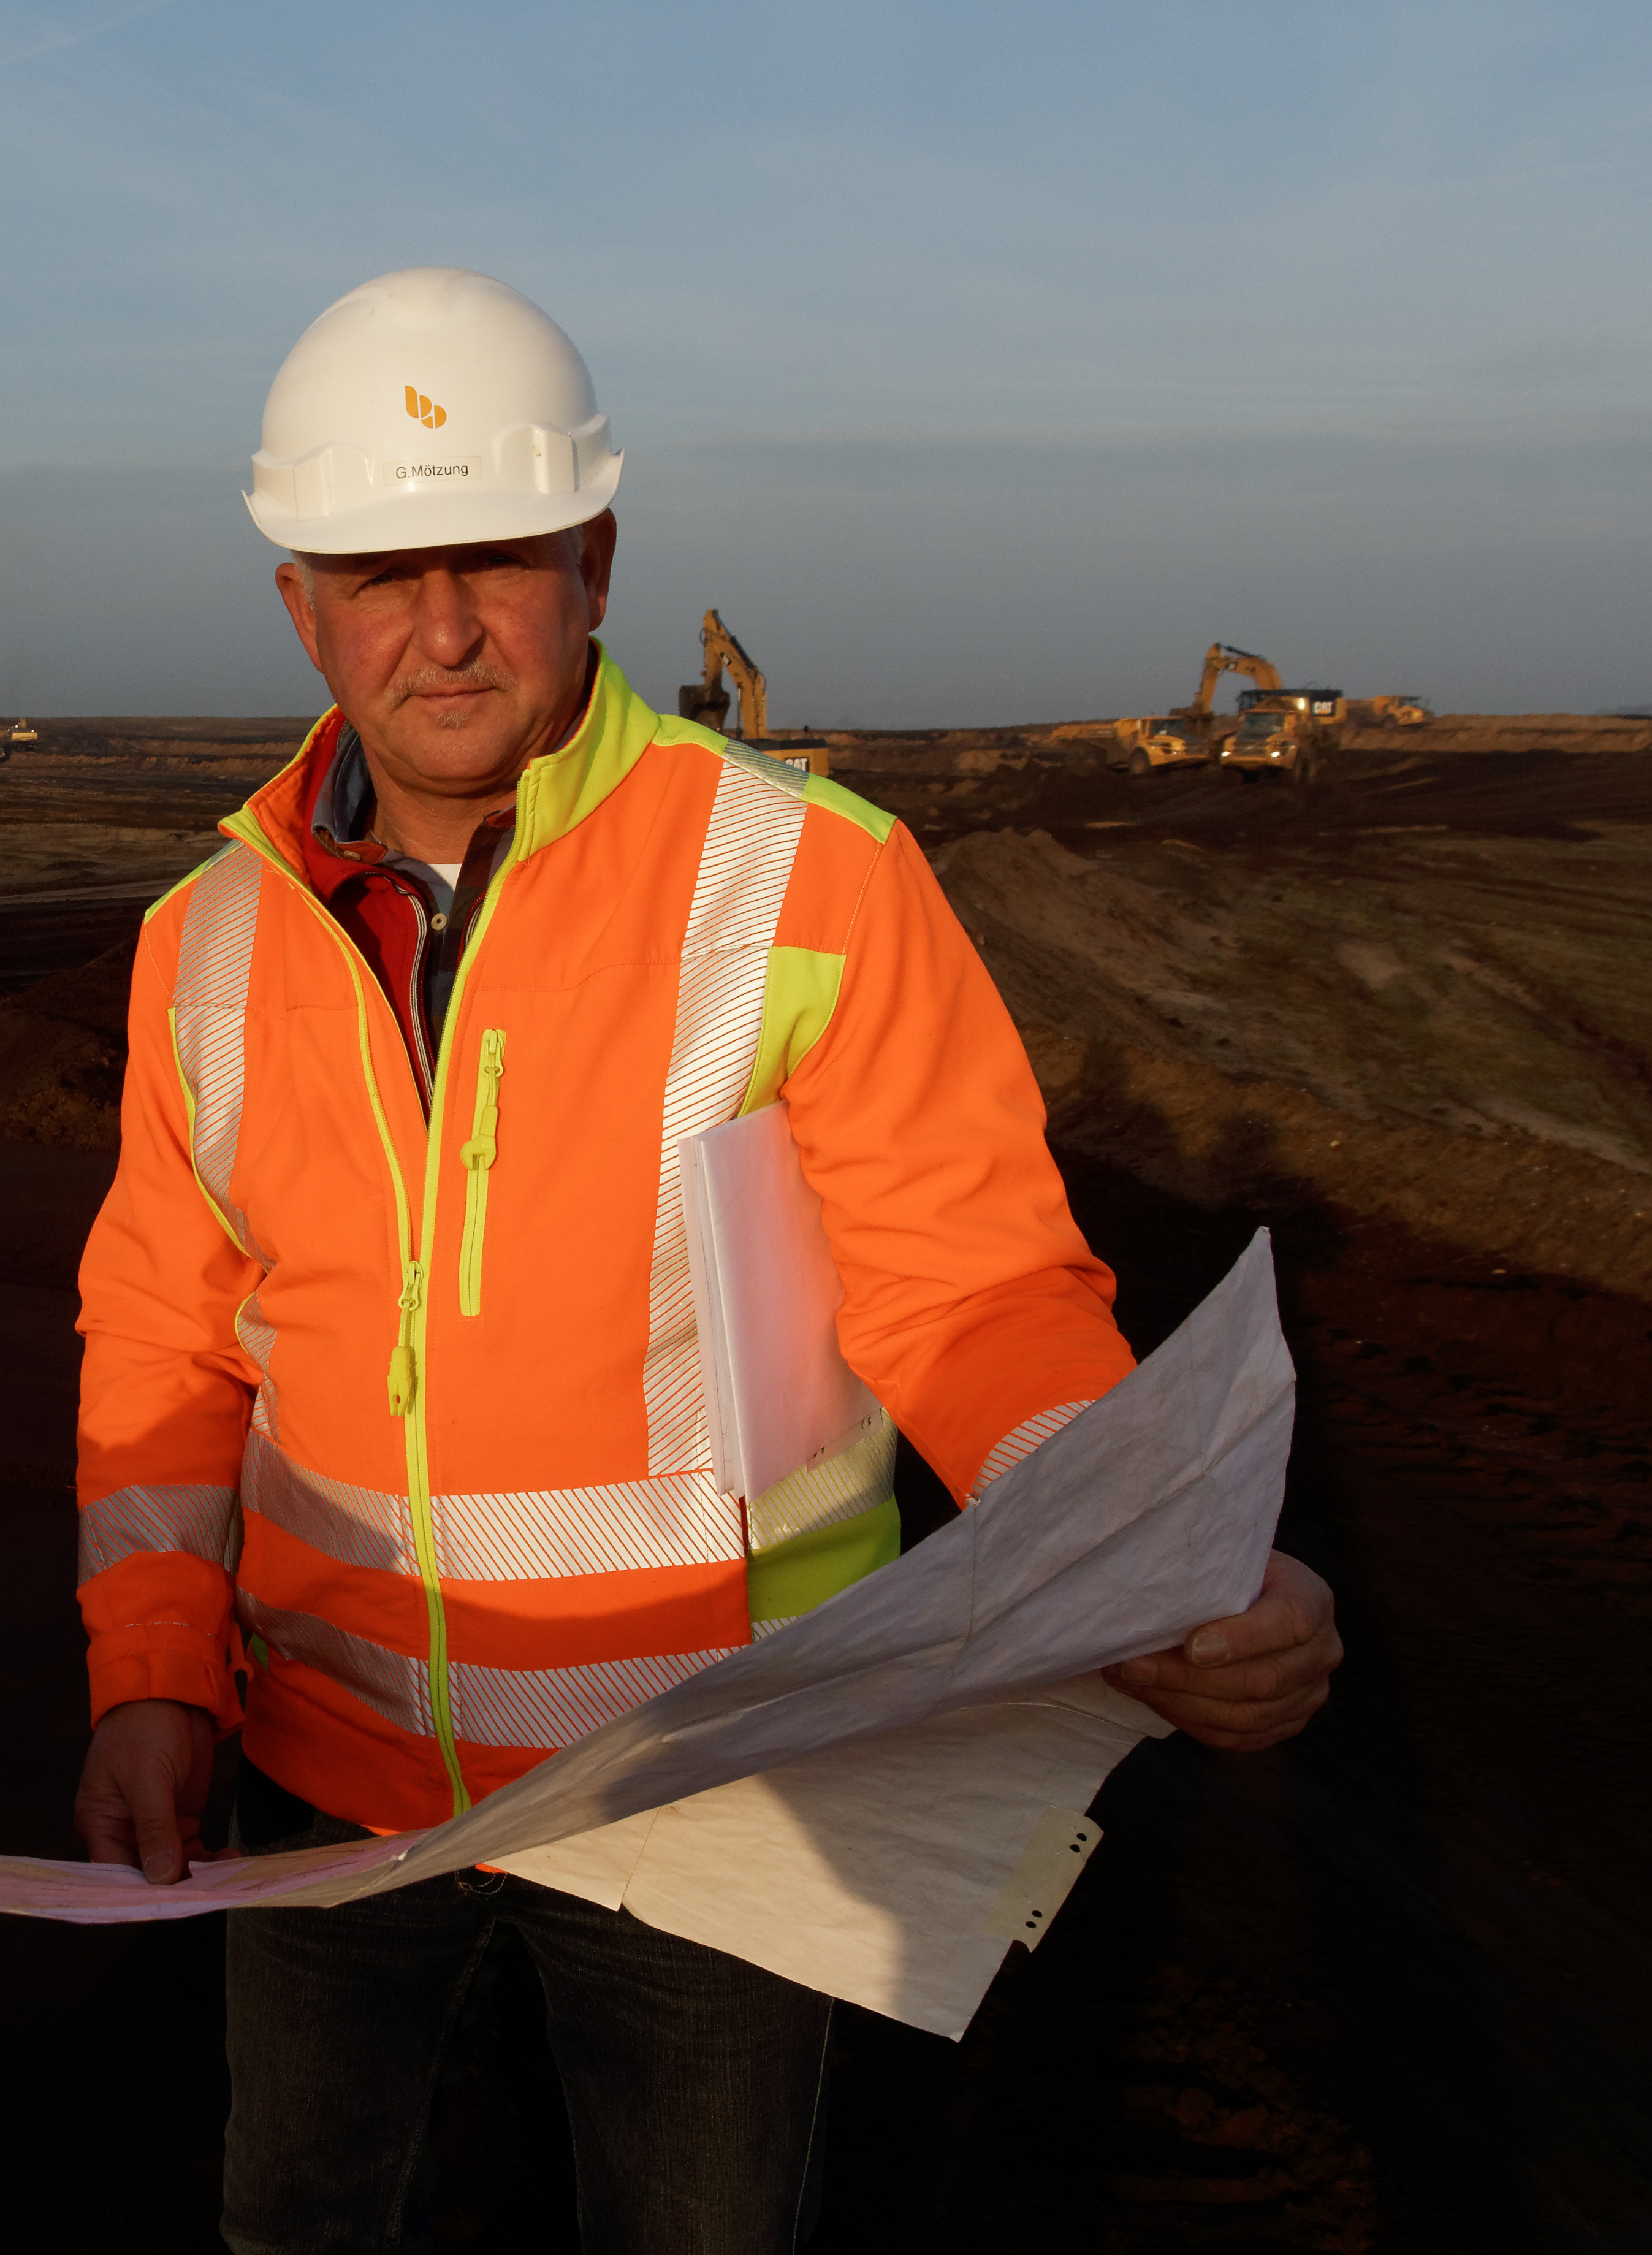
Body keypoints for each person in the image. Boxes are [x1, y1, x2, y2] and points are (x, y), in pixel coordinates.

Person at [67, 267, 1342, 2253]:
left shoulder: (810, 877)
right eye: (378, 571)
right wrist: (152, 1677)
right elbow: (166, 1334)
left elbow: (972, 1283)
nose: (443, 626)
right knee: (302, 2226)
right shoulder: (203, 943)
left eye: (494, 555)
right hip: (328, 1790)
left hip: (713, 1780)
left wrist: (1138, 1549)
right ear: (298, 602)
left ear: (594, 559)